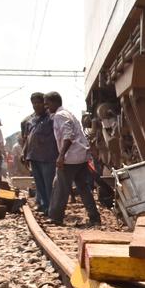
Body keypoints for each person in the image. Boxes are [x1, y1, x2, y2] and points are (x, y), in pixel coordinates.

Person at [44, 91, 99, 227]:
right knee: (83, 188)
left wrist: (61, 155)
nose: (46, 106)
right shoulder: (68, 113)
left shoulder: (60, 116)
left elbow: (68, 136)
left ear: (55, 102)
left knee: (60, 187)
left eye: (47, 103)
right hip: (81, 156)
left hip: (70, 158)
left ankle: (55, 217)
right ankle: (94, 217)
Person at [20, 92, 57, 214]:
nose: (36, 105)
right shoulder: (31, 120)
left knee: (48, 184)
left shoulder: (51, 118)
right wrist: (23, 152)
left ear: (44, 104)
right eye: (34, 103)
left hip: (47, 156)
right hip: (34, 155)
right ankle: (44, 205)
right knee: (39, 184)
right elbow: (27, 137)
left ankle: (52, 208)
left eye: (38, 102)